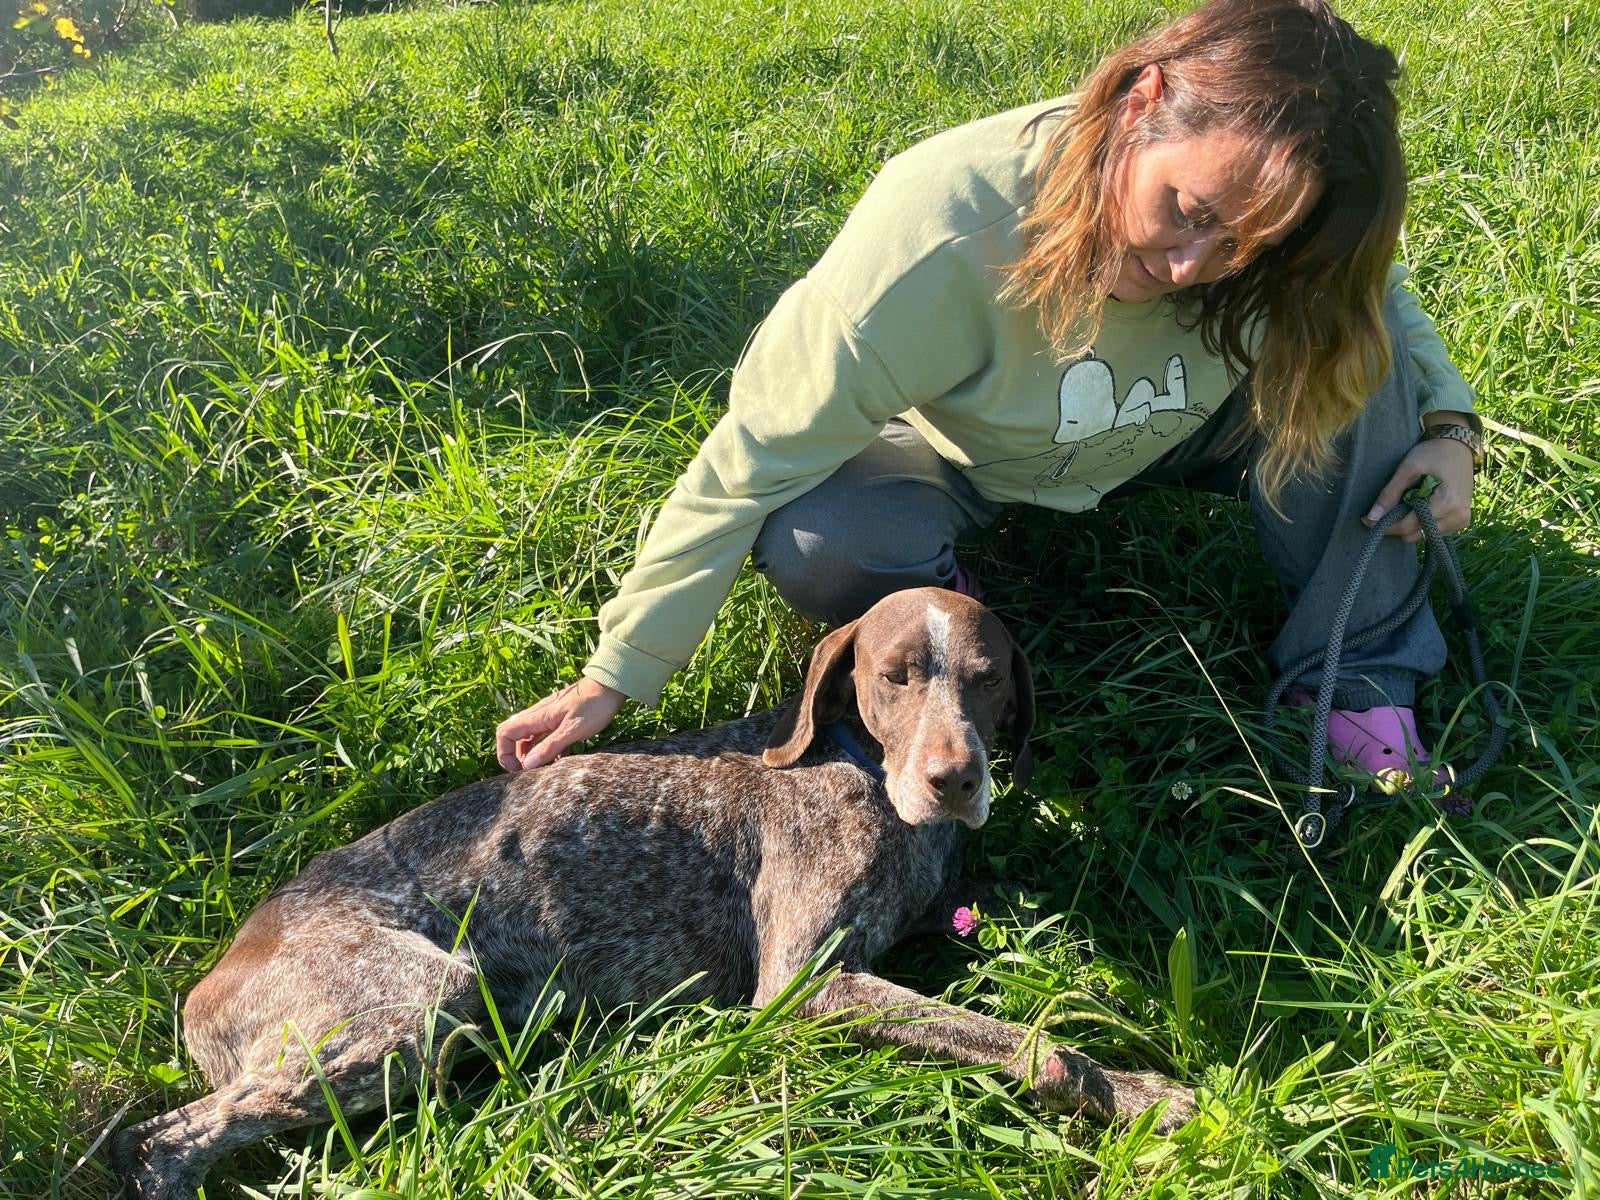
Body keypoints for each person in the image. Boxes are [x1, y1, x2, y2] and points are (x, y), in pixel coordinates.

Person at [495, 0, 1483, 792]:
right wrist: (612, 678)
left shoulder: (1269, 248)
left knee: (1351, 367)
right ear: (1140, 101)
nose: (1191, 267)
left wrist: (1446, 427)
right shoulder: (937, 229)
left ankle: (1352, 678)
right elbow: (750, 460)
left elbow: (1372, 300)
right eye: (1186, 211)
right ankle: (958, 627)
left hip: (1188, 425)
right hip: (966, 459)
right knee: (817, 533)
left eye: (1243, 247)